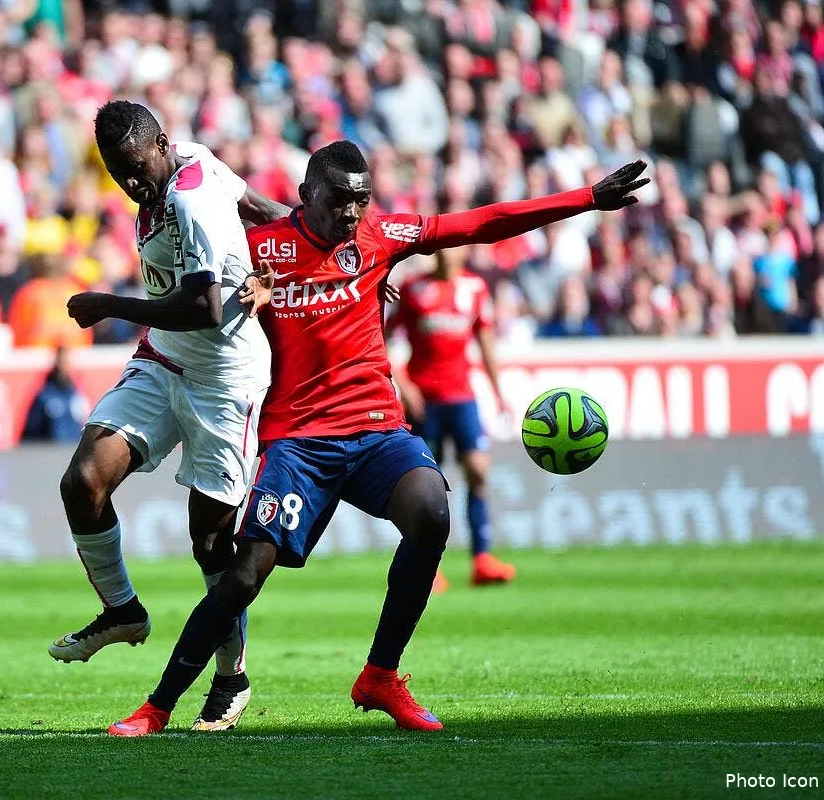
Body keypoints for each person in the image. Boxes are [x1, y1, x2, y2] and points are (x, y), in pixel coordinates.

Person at [105, 142, 648, 736]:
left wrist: (587, 199)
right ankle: (159, 705)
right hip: (299, 441)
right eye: (339, 200)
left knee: (431, 512)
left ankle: (381, 675)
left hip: (377, 432)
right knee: (243, 577)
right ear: (307, 194)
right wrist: (247, 298)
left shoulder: (381, 237)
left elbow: (481, 223)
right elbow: (204, 305)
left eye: (361, 200)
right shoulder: (259, 249)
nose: (352, 213)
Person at [55, 100, 290, 732]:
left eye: (135, 167)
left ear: (160, 144)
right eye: (117, 172)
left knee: (210, 541)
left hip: (225, 379)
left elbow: (206, 308)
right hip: (164, 360)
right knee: (83, 481)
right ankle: (123, 611)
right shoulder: (193, 159)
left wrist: (111, 304)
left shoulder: (189, 195)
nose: (130, 182)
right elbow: (260, 209)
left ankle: (231, 675)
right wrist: (305, 247)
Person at [389, 245, 516, 588]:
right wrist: (405, 386)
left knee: (478, 471)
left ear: (465, 252)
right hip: (424, 402)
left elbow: (485, 342)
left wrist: (498, 393)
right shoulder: (414, 288)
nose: (447, 253)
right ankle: (426, 568)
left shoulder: (474, 288)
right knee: (425, 486)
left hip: (462, 397)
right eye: (443, 248)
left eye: (454, 247)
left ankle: (482, 559)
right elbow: (382, 339)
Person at [21, 345, 88, 443]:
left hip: (74, 448)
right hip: (50, 450)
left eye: (67, 361)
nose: (64, 365)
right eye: (62, 361)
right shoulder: (44, 396)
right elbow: (31, 431)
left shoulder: (77, 395)